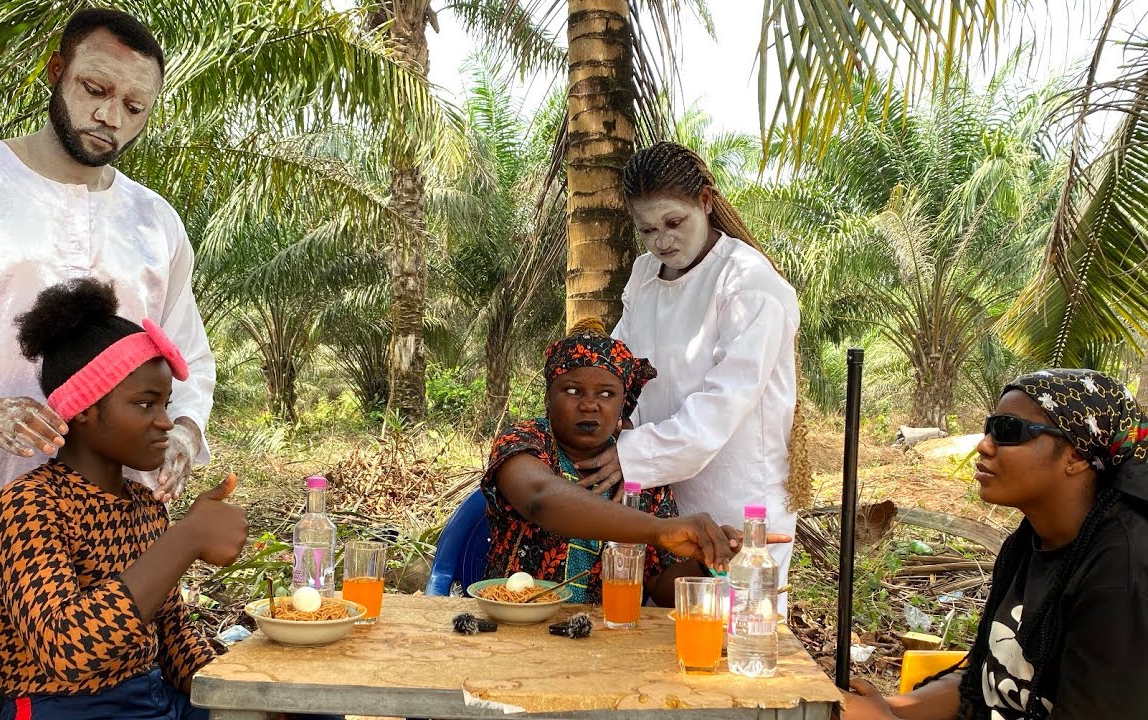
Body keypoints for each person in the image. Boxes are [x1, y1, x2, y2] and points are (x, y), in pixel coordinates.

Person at [0, 8, 214, 715]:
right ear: (56, 73)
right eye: (94, 88)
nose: (109, 116)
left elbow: (190, 359)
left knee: (116, 661)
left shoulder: (155, 222)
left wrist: (179, 432)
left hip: (114, 511)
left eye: (133, 106)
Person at [0, 278, 247, 720]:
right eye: (145, 404)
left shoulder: (144, 505)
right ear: (83, 409)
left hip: (154, 700)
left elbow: (173, 635)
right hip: (64, 709)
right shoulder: (26, 506)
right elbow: (65, 649)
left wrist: (244, 690)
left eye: (166, 404)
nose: (166, 423)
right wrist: (185, 540)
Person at [574, 142, 808, 607]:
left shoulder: (748, 283)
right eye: (647, 230)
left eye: (674, 223)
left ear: (705, 200)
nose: (662, 241)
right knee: (668, 636)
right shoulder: (644, 274)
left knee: (736, 634)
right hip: (662, 494)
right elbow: (622, 365)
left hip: (740, 495)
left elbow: (719, 409)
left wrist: (633, 453)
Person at [841, 369, 1148, 720]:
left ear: (1077, 455)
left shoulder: (1122, 569)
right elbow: (984, 680)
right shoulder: (1027, 543)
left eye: (1007, 431)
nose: (983, 445)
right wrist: (889, 708)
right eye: (989, 428)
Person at [481, 320, 790, 607]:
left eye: (606, 394)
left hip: (608, 639)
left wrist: (709, 558)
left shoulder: (639, 470)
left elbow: (661, 586)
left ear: (622, 405)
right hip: (518, 624)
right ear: (549, 397)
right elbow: (540, 499)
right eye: (573, 391)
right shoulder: (526, 440)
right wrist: (658, 529)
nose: (590, 404)